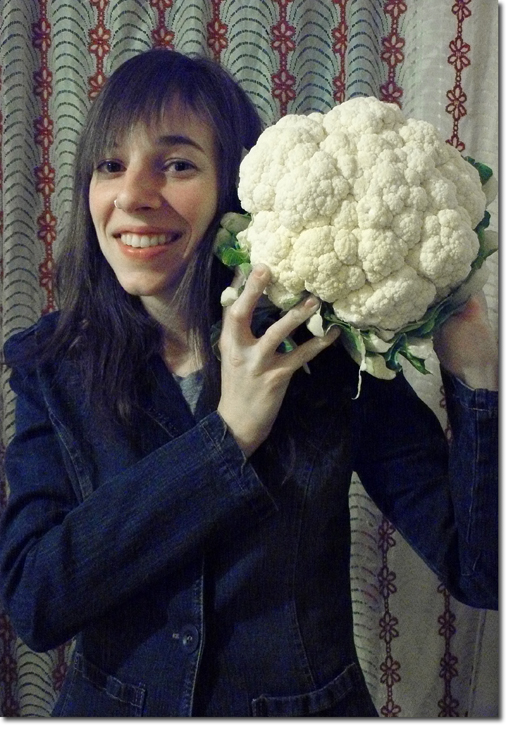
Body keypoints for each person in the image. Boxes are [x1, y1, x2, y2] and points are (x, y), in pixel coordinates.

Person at [0, 49, 498, 718]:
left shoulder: (328, 349)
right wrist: (226, 437)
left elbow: (482, 569)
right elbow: (35, 599)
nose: (132, 195)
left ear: (231, 188)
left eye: (176, 164)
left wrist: (476, 378)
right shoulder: (51, 362)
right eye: (110, 165)